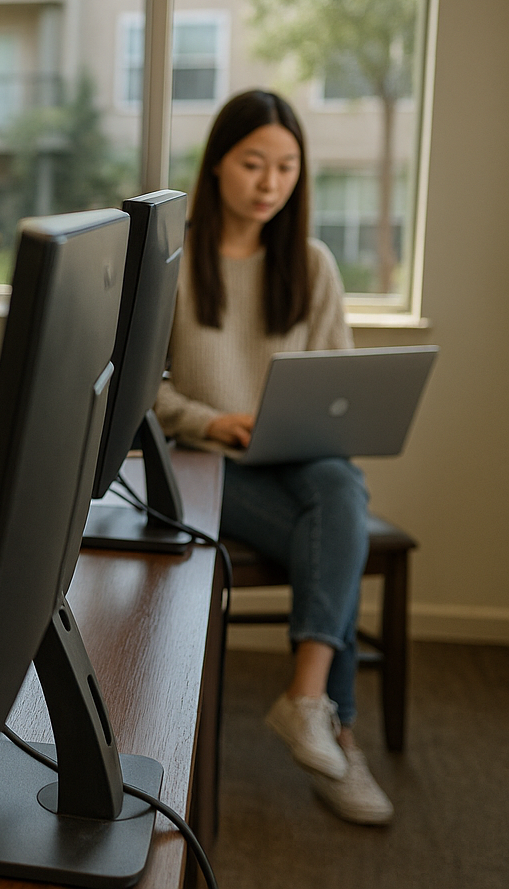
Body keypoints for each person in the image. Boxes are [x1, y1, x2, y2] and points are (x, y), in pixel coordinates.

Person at [155, 88, 392, 825]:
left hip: (295, 458)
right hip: (205, 461)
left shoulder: (311, 265)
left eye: (286, 167)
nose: (270, 183)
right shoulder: (173, 259)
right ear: (217, 165)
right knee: (338, 542)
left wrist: (300, 423)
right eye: (253, 163)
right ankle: (337, 734)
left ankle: (306, 698)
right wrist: (214, 419)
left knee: (341, 488)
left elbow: (337, 384)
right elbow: (141, 391)